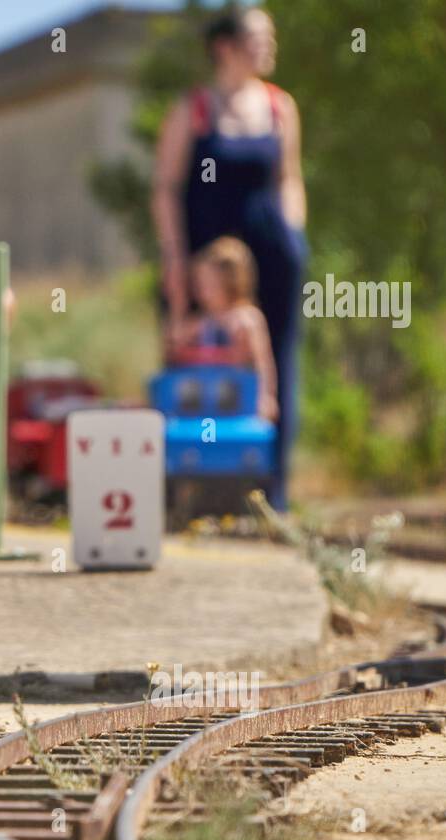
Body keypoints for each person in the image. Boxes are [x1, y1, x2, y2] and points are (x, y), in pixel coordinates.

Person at [151, 7, 306, 509]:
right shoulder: (193, 109)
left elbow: (289, 179)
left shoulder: (281, 108)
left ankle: (271, 495)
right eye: (258, 36)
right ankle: (198, 489)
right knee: (195, 364)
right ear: (225, 46)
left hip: (270, 255)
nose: (269, 45)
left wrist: (293, 237)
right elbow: (166, 188)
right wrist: (175, 260)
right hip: (205, 258)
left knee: (274, 361)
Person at [170, 237, 278, 422]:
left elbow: (263, 363)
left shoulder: (246, 319)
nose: (203, 290)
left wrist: (266, 396)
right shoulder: (202, 321)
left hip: (239, 399)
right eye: (200, 283)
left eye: (210, 284)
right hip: (204, 402)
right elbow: (175, 346)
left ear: (232, 281)